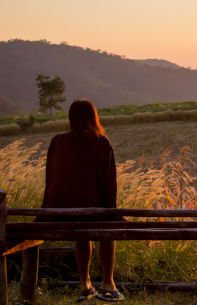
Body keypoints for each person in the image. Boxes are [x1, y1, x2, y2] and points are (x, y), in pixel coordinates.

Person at [39, 99, 125, 302]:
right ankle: (107, 282)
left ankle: (85, 282)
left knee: (81, 224)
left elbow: (50, 180)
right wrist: (112, 213)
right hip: (90, 212)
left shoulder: (57, 141)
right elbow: (109, 184)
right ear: (93, 117)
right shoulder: (101, 141)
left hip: (59, 214)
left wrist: (46, 212)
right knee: (107, 226)